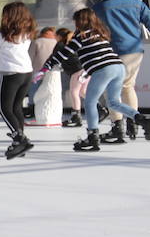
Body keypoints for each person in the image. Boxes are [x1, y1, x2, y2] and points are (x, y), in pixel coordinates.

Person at [40, 8, 150, 152]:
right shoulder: (101, 33)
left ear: (81, 21)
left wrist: (46, 66)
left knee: (90, 102)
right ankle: (143, 120)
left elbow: (65, 53)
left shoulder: (81, 36)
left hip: (104, 69)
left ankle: (93, 138)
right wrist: (86, 72)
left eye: (76, 21)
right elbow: (95, 55)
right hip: (118, 67)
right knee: (114, 102)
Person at [91, 0, 150, 144]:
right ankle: (133, 121)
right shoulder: (136, 4)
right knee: (128, 86)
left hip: (111, 52)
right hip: (134, 51)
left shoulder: (99, 8)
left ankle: (117, 127)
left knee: (112, 91)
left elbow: (90, 31)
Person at [0, 2, 37, 159]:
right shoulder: (27, 32)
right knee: (16, 107)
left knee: (5, 108)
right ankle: (20, 142)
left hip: (11, 73)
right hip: (26, 72)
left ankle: (19, 139)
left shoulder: (3, 33)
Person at [54, 28, 87, 128]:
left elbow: (55, 58)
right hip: (85, 69)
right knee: (83, 92)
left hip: (76, 70)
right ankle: (99, 108)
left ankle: (76, 117)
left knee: (74, 92)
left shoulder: (60, 44)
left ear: (59, 36)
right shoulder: (73, 43)